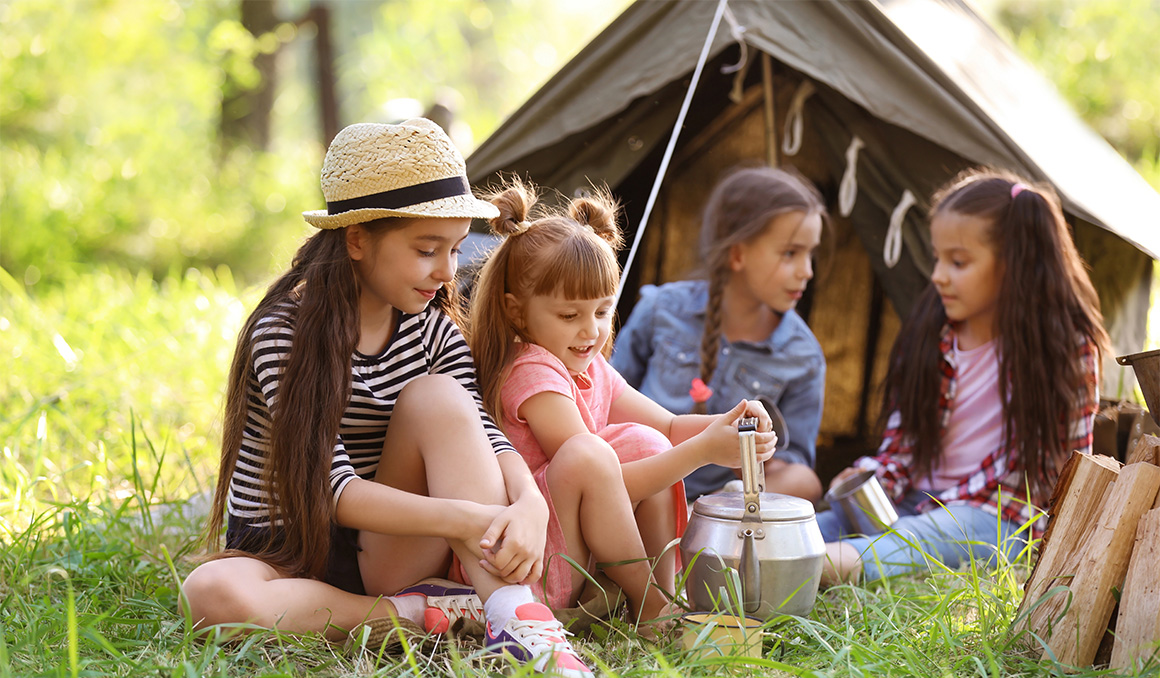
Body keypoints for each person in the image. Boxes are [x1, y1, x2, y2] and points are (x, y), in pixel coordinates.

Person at [180, 119, 593, 678]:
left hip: (387, 549)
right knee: (209, 591)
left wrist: (528, 500)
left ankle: (517, 617)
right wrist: (467, 519)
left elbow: (483, 431)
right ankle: (419, 612)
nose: (447, 271)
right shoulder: (284, 332)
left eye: (454, 249)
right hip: (286, 551)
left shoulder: (431, 329)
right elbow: (335, 490)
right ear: (357, 239)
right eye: (427, 250)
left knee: (440, 398)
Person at [466, 178, 777, 628]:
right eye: (569, 316)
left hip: (572, 550)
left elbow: (669, 428)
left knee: (644, 439)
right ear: (517, 312)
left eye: (602, 311)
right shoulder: (530, 373)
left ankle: (660, 597)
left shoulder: (587, 366)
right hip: (530, 564)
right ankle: (649, 600)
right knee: (590, 453)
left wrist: (731, 426)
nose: (591, 331)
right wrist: (704, 451)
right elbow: (597, 479)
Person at [819, 169, 1108, 585]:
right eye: (938, 258)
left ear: (1014, 264)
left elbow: (1050, 474)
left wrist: (937, 510)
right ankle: (774, 550)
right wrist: (871, 475)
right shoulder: (932, 333)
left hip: (998, 520)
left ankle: (819, 567)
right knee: (827, 523)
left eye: (958, 262)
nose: (938, 275)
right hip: (914, 504)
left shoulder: (1064, 350)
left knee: (929, 536)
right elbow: (903, 445)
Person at [612, 166, 827, 503]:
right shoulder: (662, 309)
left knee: (805, 481)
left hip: (721, 504)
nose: (807, 271)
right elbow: (603, 395)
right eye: (790, 253)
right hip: (638, 483)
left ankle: (704, 520)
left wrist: (755, 457)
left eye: (810, 253)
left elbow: (794, 463)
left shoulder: (803, 356)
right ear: (737, 254)